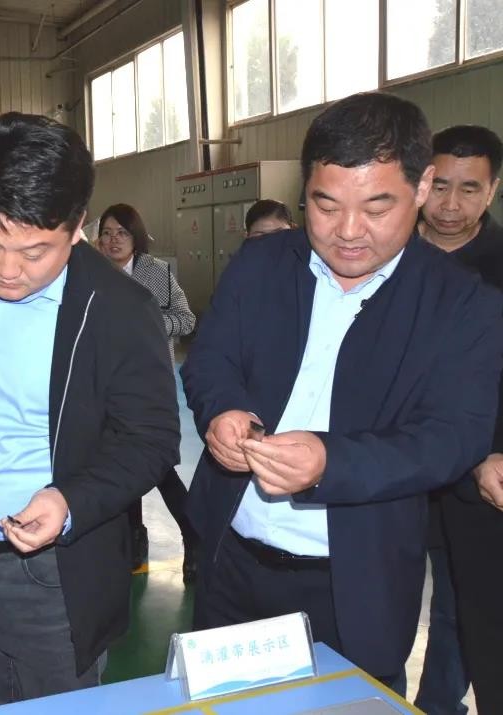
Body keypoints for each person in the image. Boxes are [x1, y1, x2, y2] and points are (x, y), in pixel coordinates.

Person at [181, 92, 503, 687]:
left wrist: (331, 462)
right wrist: (222, 410)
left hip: (354, 582)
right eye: (325, 205)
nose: (349, 232)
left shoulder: (462, 305)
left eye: (377, 207)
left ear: (422, 187)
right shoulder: (261, 265)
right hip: (231, 560)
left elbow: (452, 437)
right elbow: (210, 358)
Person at [0, 112, 180, 709]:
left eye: (34, 251)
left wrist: (70, 501)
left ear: (78, 226)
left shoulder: (117, 308)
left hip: (55, 575)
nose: (7, 270)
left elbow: (153, 439)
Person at [419, 124, 503, 715]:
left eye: (469, 189)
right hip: (385, 463)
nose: (451, 205)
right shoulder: (382, 254)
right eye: (440, 185)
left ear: (492, 190)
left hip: (479, 471)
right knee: (376, 600)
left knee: (463, 603)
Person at [95, 203, 199, 580]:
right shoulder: (90, 274)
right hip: (104, 388)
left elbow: (186, 320)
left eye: (122, 232)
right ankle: (135, 538)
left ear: (135, 237)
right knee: (120, 462)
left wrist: (147, 323)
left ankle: (193, 534)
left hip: (148, 388)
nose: (113, 240)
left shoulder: (157, 273)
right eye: (107, 233)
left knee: (157, 465)